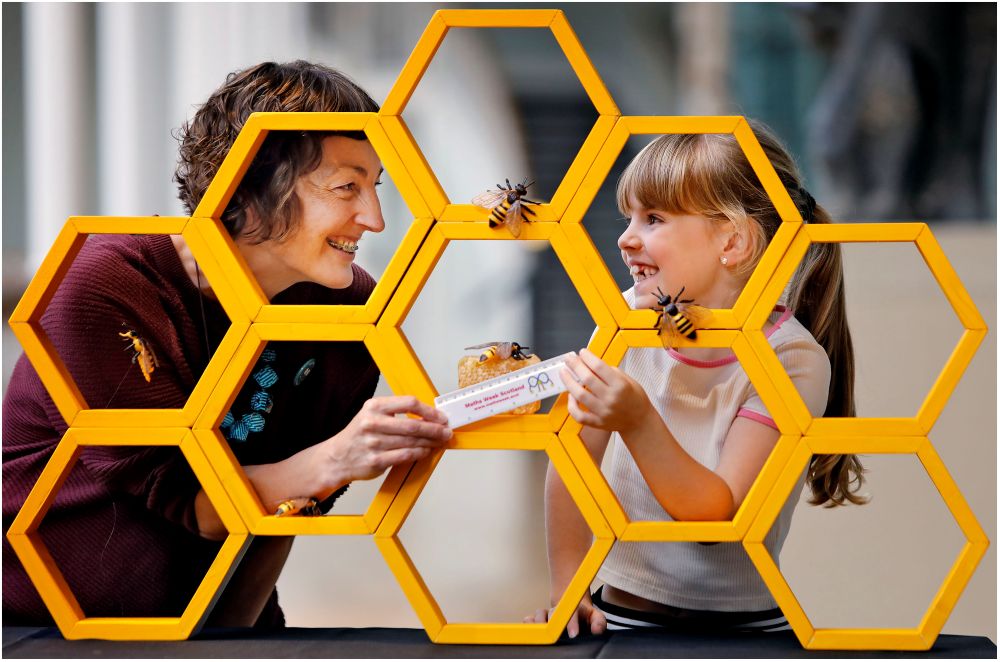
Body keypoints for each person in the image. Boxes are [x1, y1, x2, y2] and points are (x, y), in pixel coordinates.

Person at [2, 61, 452, 628]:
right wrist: (336, 458)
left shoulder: (351, 312)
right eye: (346, 187)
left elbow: (285, 514)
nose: (375, 219)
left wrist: (242, 642)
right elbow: (196, 503)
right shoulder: (110, 284)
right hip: (46, 628)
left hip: (214, 624)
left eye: (375, 186)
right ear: (248, 186)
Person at [528, 122, 866, 636]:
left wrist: (638, 421)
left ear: (733, 240)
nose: (625, 238)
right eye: (628, 217)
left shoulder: (791, 357)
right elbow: (572, 461)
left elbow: (716, 518)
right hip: (621, 616)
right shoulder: (624, 322)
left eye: (654, 218)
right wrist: (568, 590)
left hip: (746, 633)